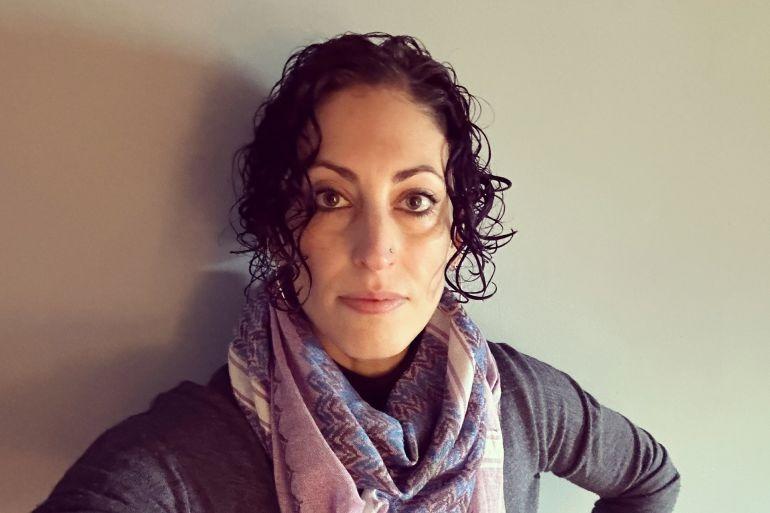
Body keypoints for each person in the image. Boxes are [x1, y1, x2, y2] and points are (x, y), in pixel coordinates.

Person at [33, 32, 681, 513]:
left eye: (416, 200)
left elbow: (650, 480)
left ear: (455, 235)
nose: (376, 250)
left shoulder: (521, 402)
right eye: (330, 197)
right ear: (280, 231)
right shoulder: (185, 456)